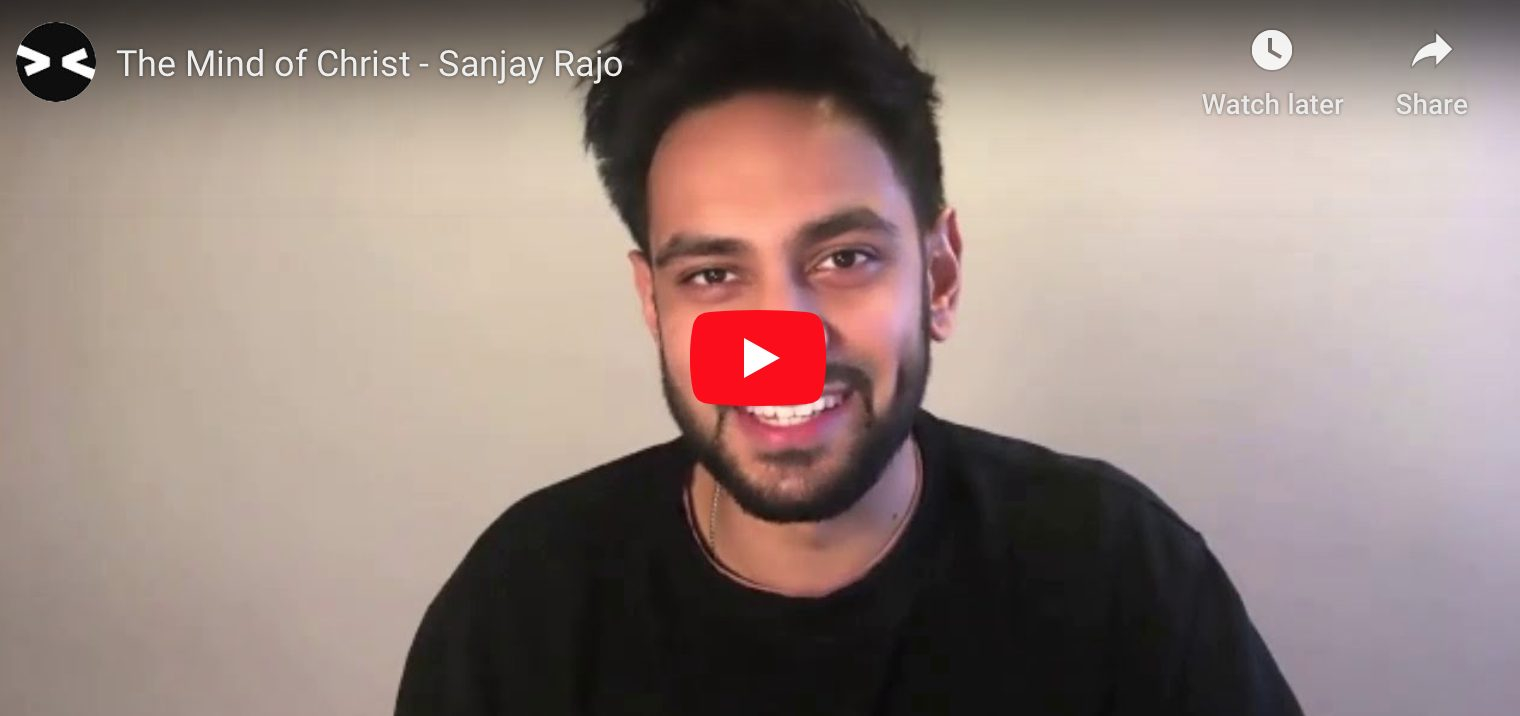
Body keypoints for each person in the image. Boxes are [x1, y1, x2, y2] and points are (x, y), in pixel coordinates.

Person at [396, 0, 1303, 713]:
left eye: (844, 259)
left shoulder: (1122, 574)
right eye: (713, 274)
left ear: (939, 276)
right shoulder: (521, 610)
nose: (778, 340)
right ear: (652, 303)